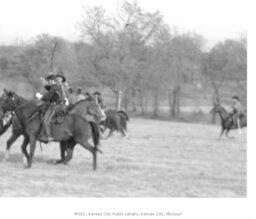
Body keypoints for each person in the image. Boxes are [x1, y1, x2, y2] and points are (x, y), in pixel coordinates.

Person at [39, 72, 65, 141]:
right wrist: (43, 81)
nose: (58, 79)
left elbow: (48, 96)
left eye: (60, 78)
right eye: (58, 77)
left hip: (55, 106)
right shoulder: (58, 86)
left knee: (45, 120)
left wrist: (40, 97)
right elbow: (48, 88)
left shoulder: (55, 87)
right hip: (58, 104)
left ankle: (48, 136)